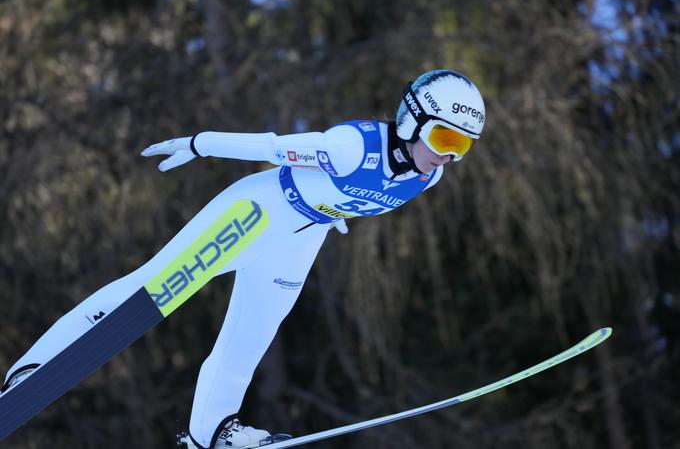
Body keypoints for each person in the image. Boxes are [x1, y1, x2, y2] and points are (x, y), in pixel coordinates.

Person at [1, 69, 485, 449]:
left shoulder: (428, 178)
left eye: (461, 147)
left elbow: (359, 196)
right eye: (444, 139)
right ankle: (36, 369)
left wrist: (335, 210)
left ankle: (211, 431)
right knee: (153, 289)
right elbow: (273, 147)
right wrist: (200, 143)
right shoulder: (351, 146)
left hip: (301, 237)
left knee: (253, 332)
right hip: (257, 211)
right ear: (411, 120)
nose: (449, 156)